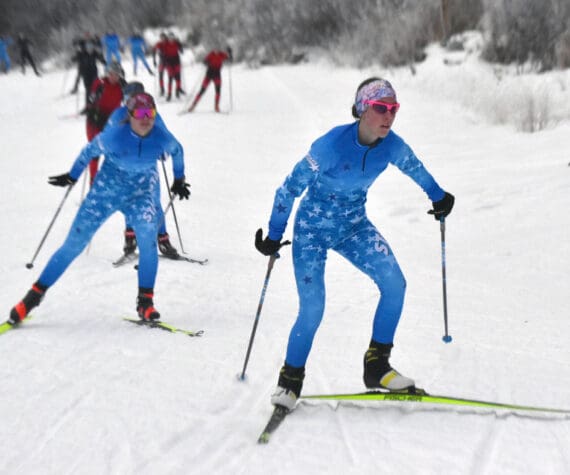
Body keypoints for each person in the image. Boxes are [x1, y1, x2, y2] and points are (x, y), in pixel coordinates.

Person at [254, 77, 455, 410]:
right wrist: (275, 234)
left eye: (393, 109)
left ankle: (377, 366)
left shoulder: (391, 145)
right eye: (380, 108)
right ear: (363, 110)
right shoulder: (330, 146)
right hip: (312, 231)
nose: (388, 116)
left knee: (395, 285)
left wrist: (438, 196)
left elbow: (414, 168)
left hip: (353, 226)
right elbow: (289, 188)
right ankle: (289, 382)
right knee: (313, 307)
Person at [7, 92, 191, 326]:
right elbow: (88, 152)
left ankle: (146, 302)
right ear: (129, 115)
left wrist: (179, 179)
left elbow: (178, 152)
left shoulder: (162, 137)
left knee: (147, 239)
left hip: (141, 193)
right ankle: (32, 297)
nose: (146, 118)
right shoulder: (114, 136)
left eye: (151, 113)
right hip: (106, 191)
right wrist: (72, 176)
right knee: (74, 244)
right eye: (140, 113)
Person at [106, 81, 181, 259]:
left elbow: (164, 133)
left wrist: (162, 149)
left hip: (148, 165)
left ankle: (163, 241)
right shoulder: (119, 115)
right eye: (127, 98)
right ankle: (130, 239)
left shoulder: (149, 112)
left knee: (153, 202)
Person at [83, 61, 125, 185]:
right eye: (111, 74)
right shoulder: (100, 84)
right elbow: (90, 101)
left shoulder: (122, 86)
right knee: (95, 153)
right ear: (107, 73)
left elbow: (132, 100)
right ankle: (93, 183)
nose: (114, 77)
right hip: (95, 121)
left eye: (117, 74)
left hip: (111, 123)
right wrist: (93, 99)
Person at [187, 46, 232, 113]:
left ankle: (216, 106)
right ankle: (193, 105)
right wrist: (206, 62)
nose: (216, 50)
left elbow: (230, 60)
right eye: (215, 49)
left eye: (217, 49)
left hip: (217, 74)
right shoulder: (211, 54)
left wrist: (230, 53)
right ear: (213, 49)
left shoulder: (222, 54)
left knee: (218, 91)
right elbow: (204, 61)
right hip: (209, 75)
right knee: (202, 90)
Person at [70, 36, 106, 103]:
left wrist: (103, 61)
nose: (90, 49)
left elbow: (101, 58)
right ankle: (88, 105)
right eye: (88, 47)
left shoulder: (94, 53)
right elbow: (75, 58)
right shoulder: (82, 53)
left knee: (96, 87)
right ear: (85, 48)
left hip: (94, 72)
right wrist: (74, 57)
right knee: (88, 89)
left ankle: (98, 102)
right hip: (86, 74)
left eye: (91, 47)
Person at [162, 32, 185, 101]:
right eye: (169, 37)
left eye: (172, 37)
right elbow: (163, 53)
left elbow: (182, 51)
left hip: (176, 62)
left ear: (174, 37)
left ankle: (177, 92)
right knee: (170, 79)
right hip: (169, 63)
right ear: (168, 38)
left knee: (178, 78)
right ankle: (169, 94)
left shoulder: (177, 43)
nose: (171, 39)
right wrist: (164, 62)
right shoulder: (166, 44)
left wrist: (180, 45)